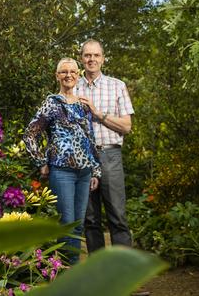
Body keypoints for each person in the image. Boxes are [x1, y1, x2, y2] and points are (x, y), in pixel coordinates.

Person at [23, 57, 101, 264]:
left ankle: (69, 271)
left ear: (78, 75)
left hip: (85, 173)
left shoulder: (84, 106)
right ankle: (68, 273)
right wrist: (41, 161)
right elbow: (30, 133)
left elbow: (90, 139)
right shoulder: (51, 103)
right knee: (66, 223)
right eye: (64, 72)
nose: (69, 75)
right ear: (57, 76)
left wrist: (95, 170)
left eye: (73, 72)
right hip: (62, 171)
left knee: (78, 224)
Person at [77, 39, 136, 250]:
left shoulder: (117, 86)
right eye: (87, 55)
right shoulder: (72, 87)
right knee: (90, 220)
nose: (91, 59)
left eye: (96, 55)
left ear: (103, 58)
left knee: (117, 216)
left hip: (110, 156)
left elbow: (127, 126)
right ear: (81, 59)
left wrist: (98, 113)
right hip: (83, 158)